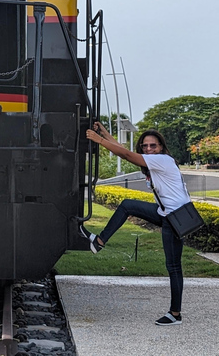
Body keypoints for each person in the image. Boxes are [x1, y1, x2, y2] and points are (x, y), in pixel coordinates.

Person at [82, 122, 191, 326]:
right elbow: (126, 152)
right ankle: (100, 241)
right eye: (145, 146)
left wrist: (99, 140)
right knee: (127, 205)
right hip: (164, 213)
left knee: (173, 266)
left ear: (161, 147)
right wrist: (104, 132)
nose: (148, 149)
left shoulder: (162, 160)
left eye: (153, 146)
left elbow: (126, 155)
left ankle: (175, 314)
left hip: (175, 218)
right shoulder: (151, 162)